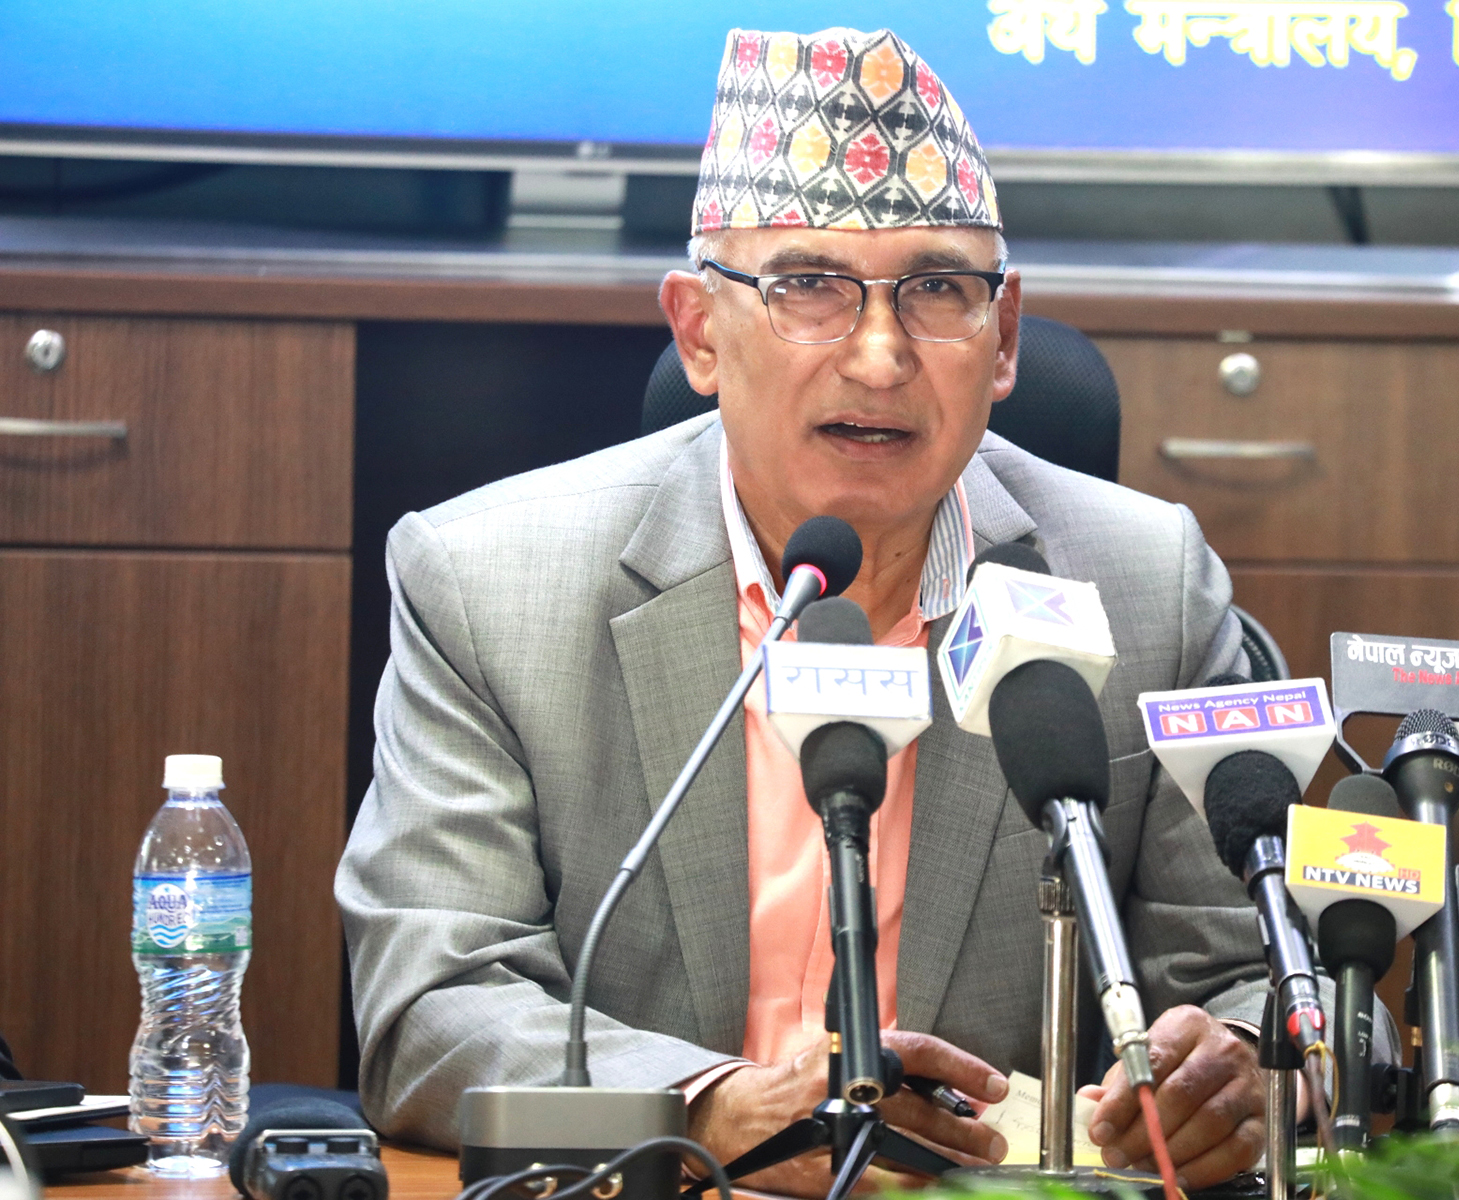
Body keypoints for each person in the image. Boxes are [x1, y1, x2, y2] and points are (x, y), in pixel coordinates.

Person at [338, 27, 1378, 1196]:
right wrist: (717, 1112)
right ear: (699, 333)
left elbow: (1263, 977)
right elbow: (433, 1006)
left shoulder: (1146, 584)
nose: (880, 357)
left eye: (937, 290)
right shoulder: (487, 582)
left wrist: (1238, 1066)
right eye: (808, 288)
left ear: (1004, 339)